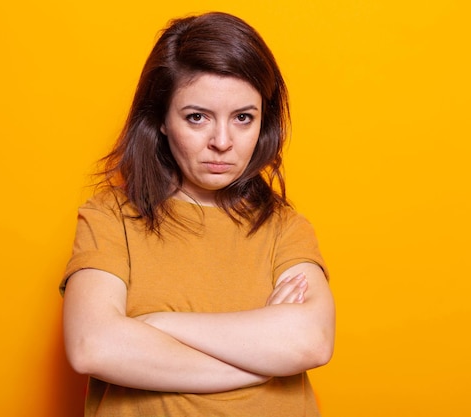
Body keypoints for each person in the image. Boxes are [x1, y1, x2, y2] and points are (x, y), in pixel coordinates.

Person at [60, 11, 335, 417]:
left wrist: (160, 325)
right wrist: (258, 363)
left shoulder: (284, 228)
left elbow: (310, 341)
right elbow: (93, 346)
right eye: (197, 117)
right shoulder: (110, 217)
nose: (222, 142)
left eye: (243, 118)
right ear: (162, 120)